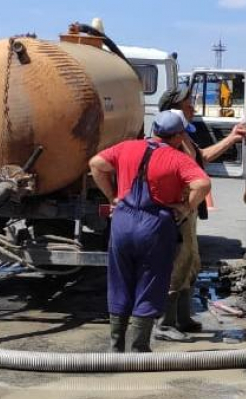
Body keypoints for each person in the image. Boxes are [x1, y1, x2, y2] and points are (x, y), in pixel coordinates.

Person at [89, 111, 211, 353]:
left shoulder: (126, 147)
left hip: (122, 222)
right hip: (155, 225)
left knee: (120, 282)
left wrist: (113, 196)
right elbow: (202, 184)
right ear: (178, 136)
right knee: (149, 283)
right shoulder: (177, 158)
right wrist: (186, 208)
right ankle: (139, 348)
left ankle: (115, 348)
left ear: (154, 129)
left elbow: (96, 164)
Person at [155, 83, 246, 339]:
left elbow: (201, 158)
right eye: (188, 103)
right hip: (179, 210)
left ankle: (183, 319)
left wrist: (231, 138)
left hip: (188, 209)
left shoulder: (183, 136)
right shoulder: (172, 138)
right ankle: (164, 324)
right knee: (177, 264)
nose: (193, 107)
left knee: (190, 263)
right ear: (175, 108)